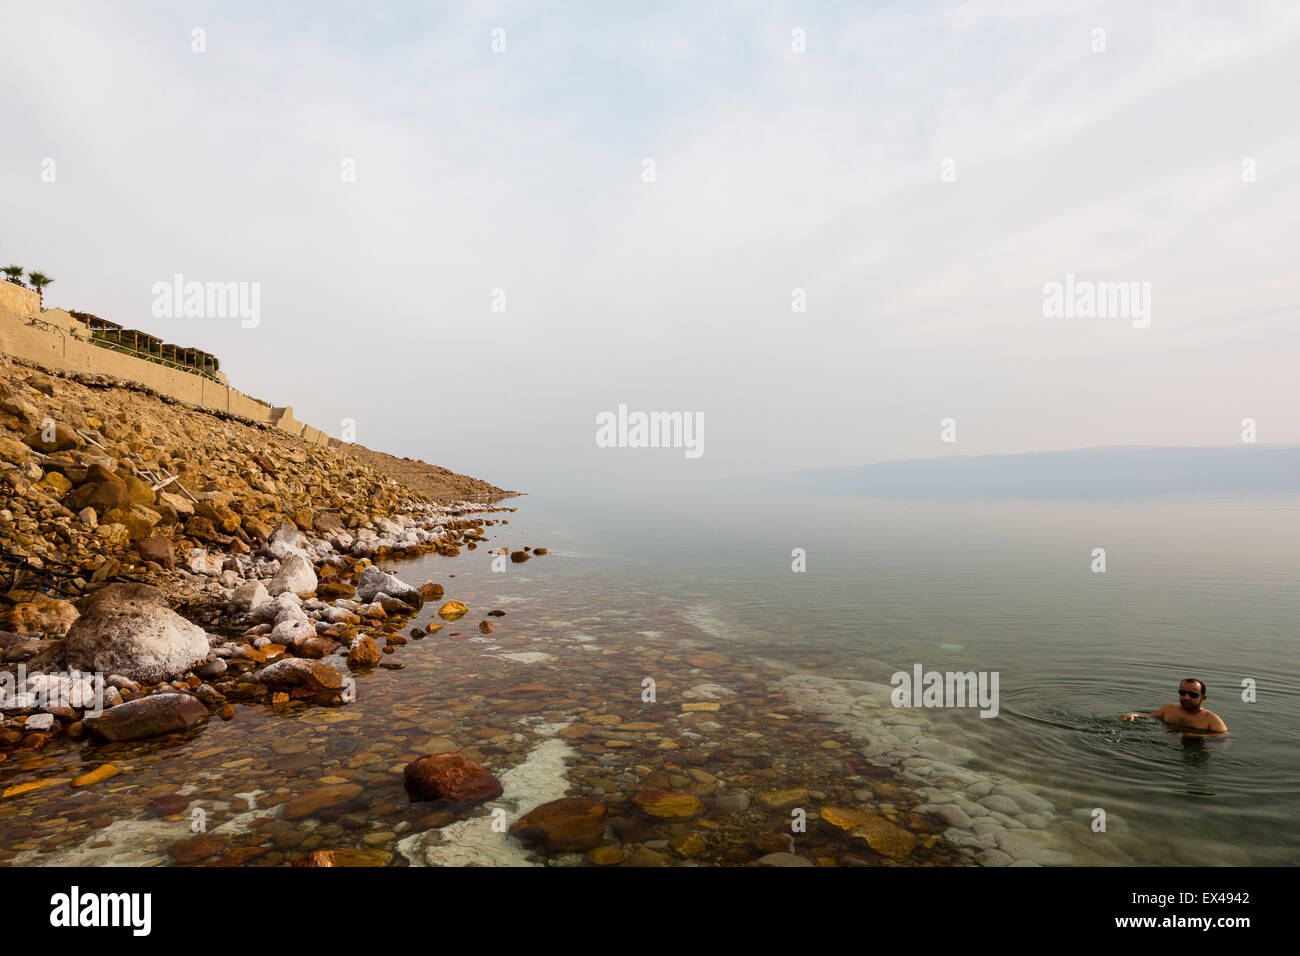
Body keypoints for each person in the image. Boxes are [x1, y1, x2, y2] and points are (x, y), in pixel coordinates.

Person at [1120, 678, 1227, 736]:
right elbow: (1151, 716)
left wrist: (1195, 736)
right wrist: (1134, 714)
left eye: (1193, 695)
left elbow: (1224, 740)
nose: (1186, 697)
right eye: (1183, 693)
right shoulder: (1169, 709)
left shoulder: (1211, 720)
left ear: (1203, 698)